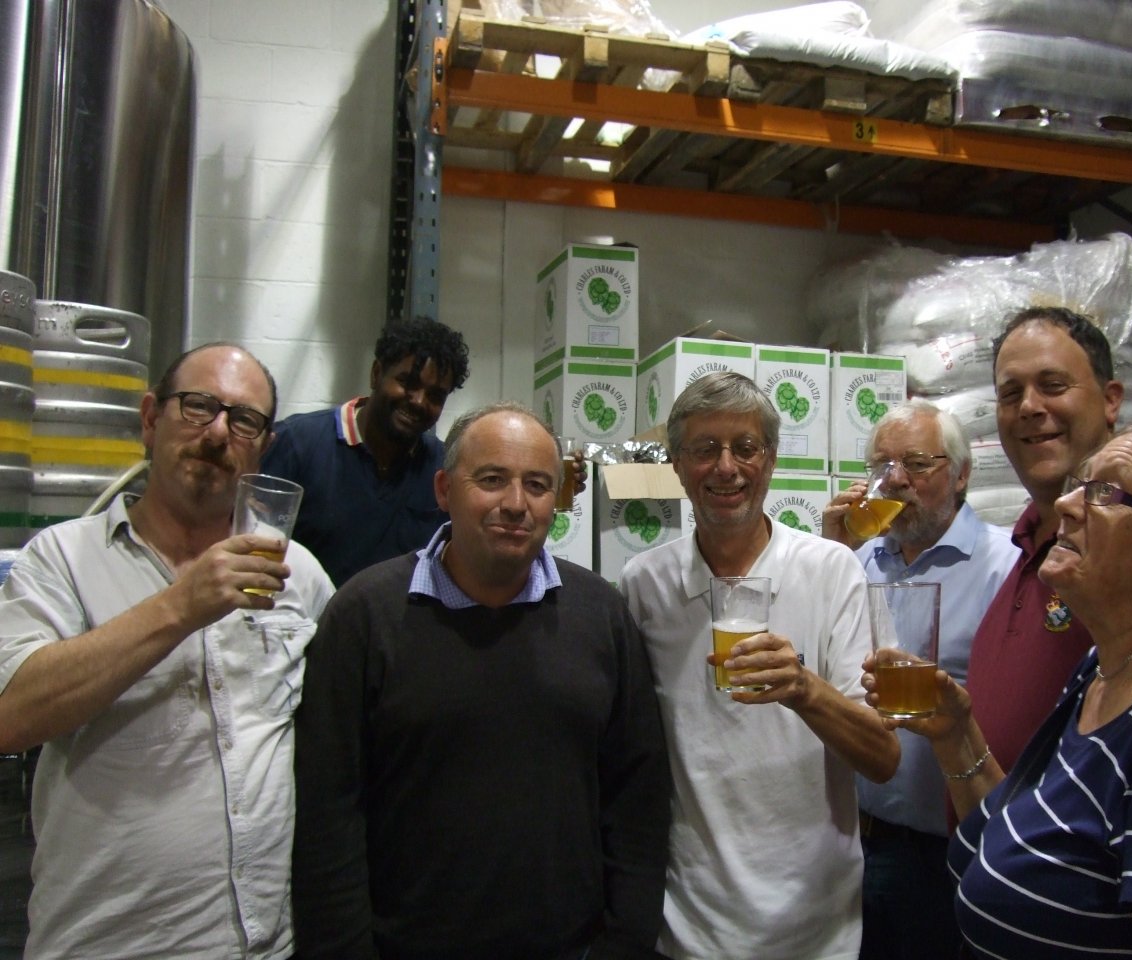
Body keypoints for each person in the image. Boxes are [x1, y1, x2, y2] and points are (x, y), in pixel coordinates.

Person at [873, 419, 1132, 958]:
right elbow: (1020, 839)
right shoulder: (1105, 670)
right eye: (1079, 485)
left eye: (1105, 492)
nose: (1068, 503)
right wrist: (957, 736)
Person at [290, 402, 671, 960]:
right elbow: (328, 813)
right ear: (444, 489)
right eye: (491, 480)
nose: (515, 504)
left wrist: (622, 945)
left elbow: (637, 799)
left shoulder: (602, 616)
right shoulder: (364, 615)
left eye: (537, 485)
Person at [0, 342, 335, 960]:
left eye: (243, 421)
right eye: (198, 406)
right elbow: (12, 715)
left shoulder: (298, 574)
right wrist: (181, 607)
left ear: (261, 447)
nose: (216, 432)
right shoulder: (61, 558)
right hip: (105, 945)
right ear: (150, 419)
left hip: (265, 947)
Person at [617, 372, 899, 960]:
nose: (727, 468)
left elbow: (883, 758)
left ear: (769, 460)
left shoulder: (832, 570)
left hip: (817, 928)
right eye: (704, 449)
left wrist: (804, 688)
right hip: (689, 928)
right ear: (676, 464)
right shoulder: (644, 585)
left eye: (745, 448)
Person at [821, 398, 1019, 960]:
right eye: (883, 467)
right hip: (853, 844)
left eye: (918, 464)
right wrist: (830, 555)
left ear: (960, 475)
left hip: (948, 852)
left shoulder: (1004, 567)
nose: (897, 480)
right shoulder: (858, 561)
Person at [966, 306, 1124, 775]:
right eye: (1010, 393)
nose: (1030, 407)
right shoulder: (1025, 541)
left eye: (1053, 385)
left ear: (1111, 400)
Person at [261, 316, 470, 586]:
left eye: (435, 395)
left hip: (398, 626)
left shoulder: (442, 468)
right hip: (307, 625)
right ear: (376, 373)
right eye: (407, 383)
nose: (418, 401)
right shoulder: (297, 444)